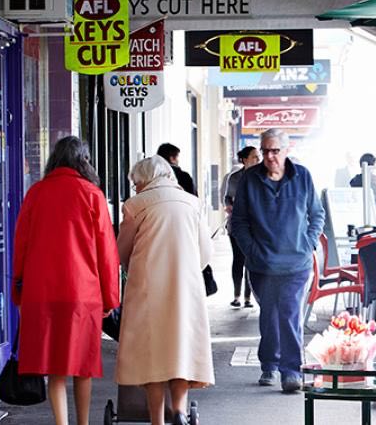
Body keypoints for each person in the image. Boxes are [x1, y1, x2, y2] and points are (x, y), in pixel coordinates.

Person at [11, 136, 119, 425]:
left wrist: (18, 292)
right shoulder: (92, 195)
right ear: (84, 160)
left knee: (55, 368)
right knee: (82, 367)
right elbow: (106, 252)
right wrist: (110, 298)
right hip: (82, 293)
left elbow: (20, 245)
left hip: (41, 293)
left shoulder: (36, 193)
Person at [117, 156, 214, 425]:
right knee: (180, 349)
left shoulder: (135, 205)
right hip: (187, 289)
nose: (135, 188)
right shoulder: (192, 203)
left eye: (136, 183)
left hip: (148, 289)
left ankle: (158, 420)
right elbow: (205, 253)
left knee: (152, 355)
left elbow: (121, 251)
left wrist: (132, 269)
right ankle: (180, 412)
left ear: (145, 180)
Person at [230, 128, 325, 394]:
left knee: (290, 315)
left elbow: (317, 214)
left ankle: (291, 371)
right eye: (266, 151)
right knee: (270, 315)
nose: (270, 156)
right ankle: (269, 362)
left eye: (275, 151)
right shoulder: (250, 179)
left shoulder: (303, 176)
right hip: (262, 264)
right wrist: (252, 250)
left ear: (287, 150)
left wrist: (307, 244)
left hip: (297, 262)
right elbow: (238, 222)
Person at [220, 146, 261, 308]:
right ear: (244, 159)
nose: (258, 160)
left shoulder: (262, 176)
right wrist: (229, 206)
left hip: (256, 226)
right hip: (236, 225)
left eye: (258, 157)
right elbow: (227, 198)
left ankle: (248, 298)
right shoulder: (235, 177)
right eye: (254, 157)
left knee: (251, 261)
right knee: (238, 259)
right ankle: (236, 295)